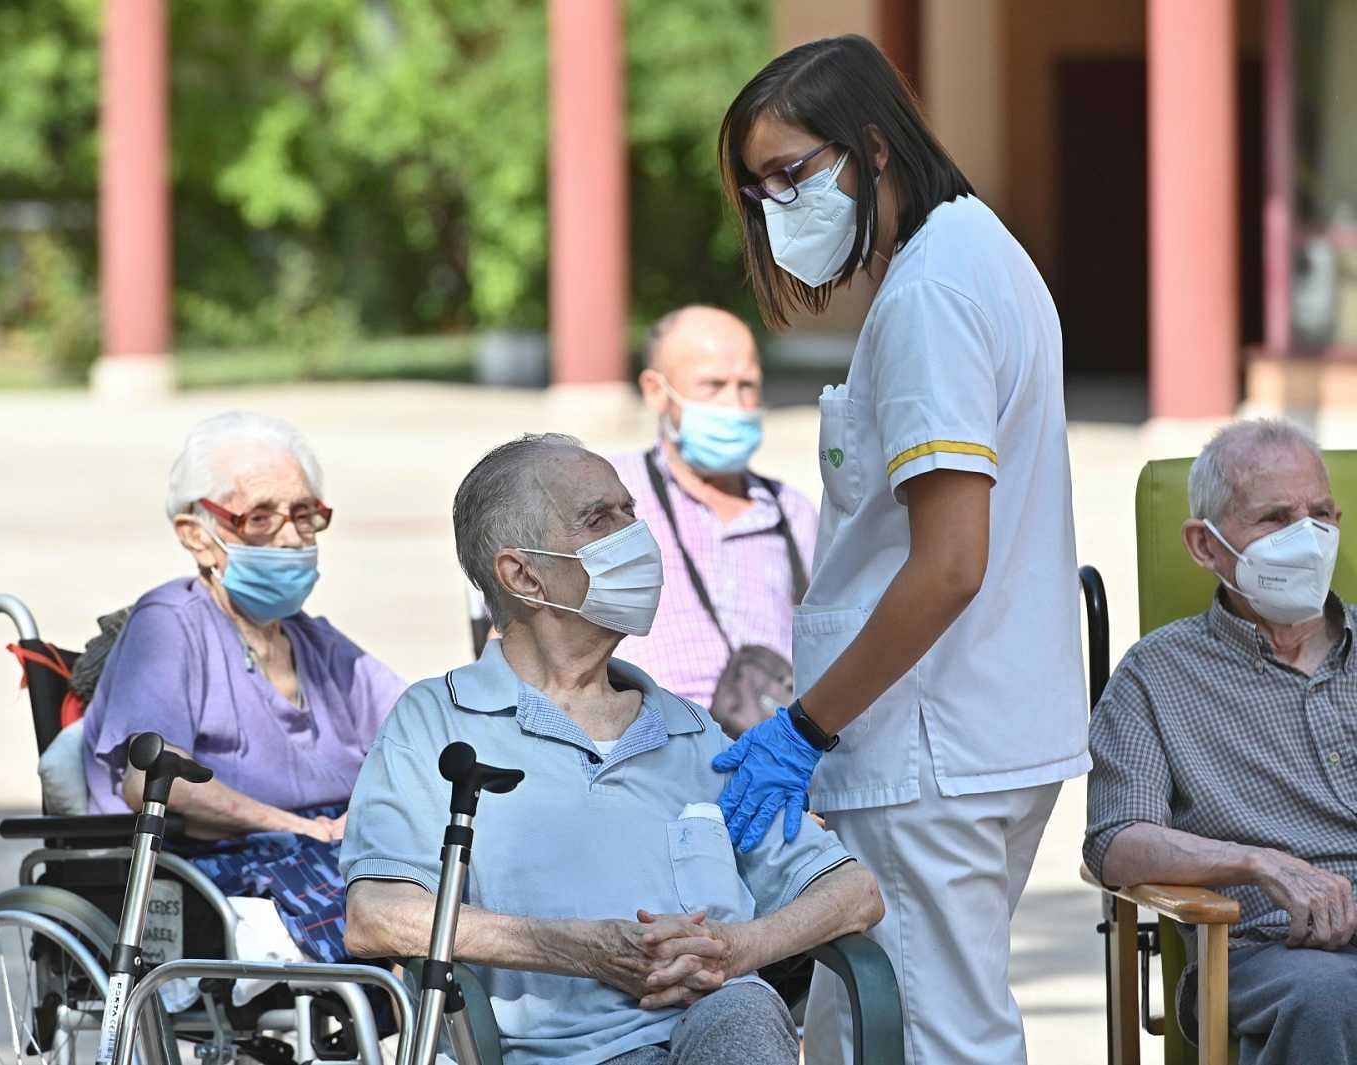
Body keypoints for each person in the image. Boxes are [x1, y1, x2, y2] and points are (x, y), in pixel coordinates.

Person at [711, 35, 1089, 1064]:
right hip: (966, 738)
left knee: (929, 1040)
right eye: (757, 188)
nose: (775, 205)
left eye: (792, 173)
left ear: (872, 149)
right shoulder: (974, 253)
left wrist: (805, 726)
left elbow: (950, 560)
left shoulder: (930, 294)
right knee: (866, 1031)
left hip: (927, 752)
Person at [339, 433, 884, 1065]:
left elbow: (852, 891)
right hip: (558, 1055)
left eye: (631, 512)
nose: (636, 535)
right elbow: (376, 914)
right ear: (523, 575)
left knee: (741, 1007)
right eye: (601, 519)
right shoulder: (438, 720)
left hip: (720, 1033)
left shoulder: (690, 730)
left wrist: (743, 947)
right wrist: (578, 948)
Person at [80, 410, 407, 966]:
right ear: (197, 537)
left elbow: (421, 728)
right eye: (259, 518)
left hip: (332, 849)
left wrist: (366, 814)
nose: (290, 537)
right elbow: (152, 780)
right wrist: (303, 827)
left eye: (304, 515)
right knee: (395, 919)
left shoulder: (317, 642)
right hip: (217, 859)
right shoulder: (171, 624)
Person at [1084, 420, 1357, 1065]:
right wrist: (1261, 863)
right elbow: (1113, 842)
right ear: (1205, 547)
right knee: (1331, 997)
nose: (1307, 538)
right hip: (1263, 951)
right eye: (1275, 518)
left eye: (1321, 514)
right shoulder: (1157, 674)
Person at [611, 305, 818, 736]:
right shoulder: (613, 494)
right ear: (656, 391)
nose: (734, 405)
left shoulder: (791, 511)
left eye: (747, 387)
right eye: (712, 386)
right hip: (640, 752)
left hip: (764, 751)